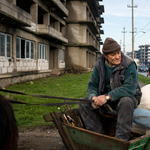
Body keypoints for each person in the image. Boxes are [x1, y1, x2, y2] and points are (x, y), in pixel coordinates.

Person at [79, 37, 142, 141]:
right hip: (107, 99)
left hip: (129, 98)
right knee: (83, 102)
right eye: (113, 55)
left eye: (118, 53)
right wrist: (94, 97)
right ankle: (99, 138)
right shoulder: (99, 64)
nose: (117, 57)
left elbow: (129, 89)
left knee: (126, 101)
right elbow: (92, 85)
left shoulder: (129, 64)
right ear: (105, 56)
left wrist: (106, 97)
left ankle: (120, 141)